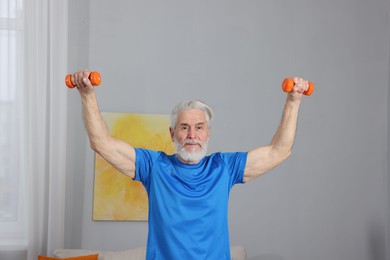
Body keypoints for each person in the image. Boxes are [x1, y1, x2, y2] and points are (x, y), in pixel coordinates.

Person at [70, 70, 309, 260]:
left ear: (208, 134)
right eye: (184, 127)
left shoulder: (224, 168)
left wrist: (293, 100)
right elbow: (101, 142)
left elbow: (280, 150)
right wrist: (87, 95)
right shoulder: (154, 166)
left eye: (199, 127)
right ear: (173, 133)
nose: (192, 134)